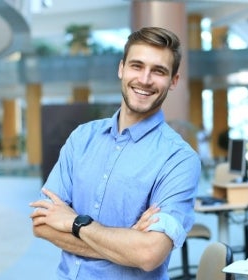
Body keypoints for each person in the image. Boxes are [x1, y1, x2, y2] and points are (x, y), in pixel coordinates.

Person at [30, 26, 201, 279]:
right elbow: (42, 224)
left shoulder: (179, 160)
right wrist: (125, 242)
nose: (144, 79)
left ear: (173, 81)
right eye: (137, 66)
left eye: (158, 71)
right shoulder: (82, 138)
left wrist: (74, 222)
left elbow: (148, 254)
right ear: (121, 68)